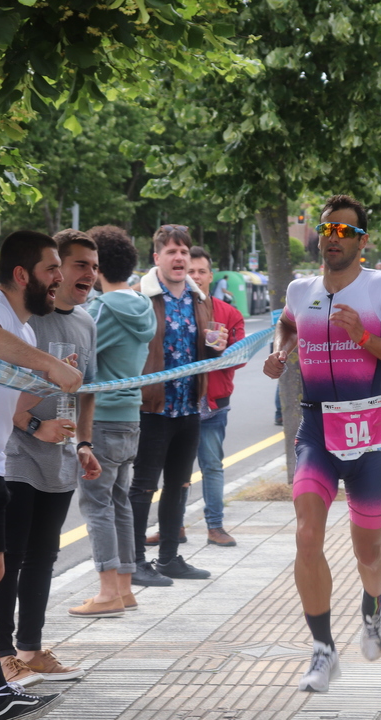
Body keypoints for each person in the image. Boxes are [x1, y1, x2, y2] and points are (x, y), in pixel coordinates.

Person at [262, 195, 381, 693]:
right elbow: (287, 322)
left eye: (343, 231)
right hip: (315, 429)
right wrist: (280, 352)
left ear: (361, 241)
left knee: (368, 554)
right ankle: (323, 649)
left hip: (367, 433)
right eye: (325, 229)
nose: (331, 238)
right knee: (307, 535)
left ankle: (373, 608)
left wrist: (365, 338)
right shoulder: (300, 290)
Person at [0, 230, 82, 720]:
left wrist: (48, 381)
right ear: (22, 274)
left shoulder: (24, 334)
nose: (60, 279)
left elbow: (11, 402)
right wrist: (49, 366)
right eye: (52, 270)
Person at [0, 229, 101, 684]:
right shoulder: (26, 319)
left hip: (61, 458)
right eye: (78, 265)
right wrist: (36, 426)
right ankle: (1, 656)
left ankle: (31, 649)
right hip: (15, 454)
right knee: (8, 559)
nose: (88, 274)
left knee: (43, 556)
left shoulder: (87, 322)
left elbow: (87, 391)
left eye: (94, 267)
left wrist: (84, 444)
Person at [129, 225, 226, 587]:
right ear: (157, 258)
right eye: (171, 251)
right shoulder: (141, 298)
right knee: (143, 486)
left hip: (189, 407)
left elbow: (208, 351)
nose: (179, 257)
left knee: (180, 484)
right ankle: (134, 561)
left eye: (184, 251)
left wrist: (216, 346)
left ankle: (169, 558)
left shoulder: (198, 299)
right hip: (152, 407)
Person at [72, 226, 156, 617]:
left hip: (102, 420)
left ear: (98, 266)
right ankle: (124, 588)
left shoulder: (102, 310)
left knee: (96, 505)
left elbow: (78, 357)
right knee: (120, 502)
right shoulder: (142, 306)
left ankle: (107, 593)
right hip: (131, 417)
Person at [186, 246, 245, 547]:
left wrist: (223, 350)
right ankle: (173, 527)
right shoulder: (172, 312)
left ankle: (215, 526)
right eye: (190, 271)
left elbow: (241, 355)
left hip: (213, 405)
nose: (195, 276)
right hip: (178, 404)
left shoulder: (229, 313)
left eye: (201, 271)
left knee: (211, 466)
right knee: (176, 470)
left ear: (211, 276)